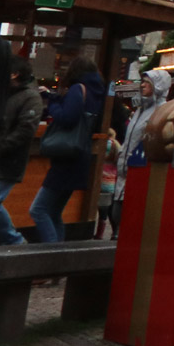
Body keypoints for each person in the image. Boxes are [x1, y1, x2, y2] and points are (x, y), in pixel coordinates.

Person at [32, 57, 104, 243]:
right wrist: (54, 96)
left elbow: (67, 117)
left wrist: (52, 105)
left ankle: (51, 258)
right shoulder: (94, 92)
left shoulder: (76, 89)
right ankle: (59, 260)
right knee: (55, 212)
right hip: (80, 155)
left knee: (38, 210)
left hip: (66, 159)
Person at [0, 59, 43, 246]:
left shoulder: (30, 97)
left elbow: (26, 130)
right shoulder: (2, 94)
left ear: (14, 74)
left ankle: (16, 242)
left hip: (6, 161)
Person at [113, 67, 171, 231]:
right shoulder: (140, 110)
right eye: (142, 82)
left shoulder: (161, 112)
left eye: (147, 82)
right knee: (117, 215)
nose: (142, 85)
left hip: (140, 175)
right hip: (124, 173)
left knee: (128, 220)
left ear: (158, 86)